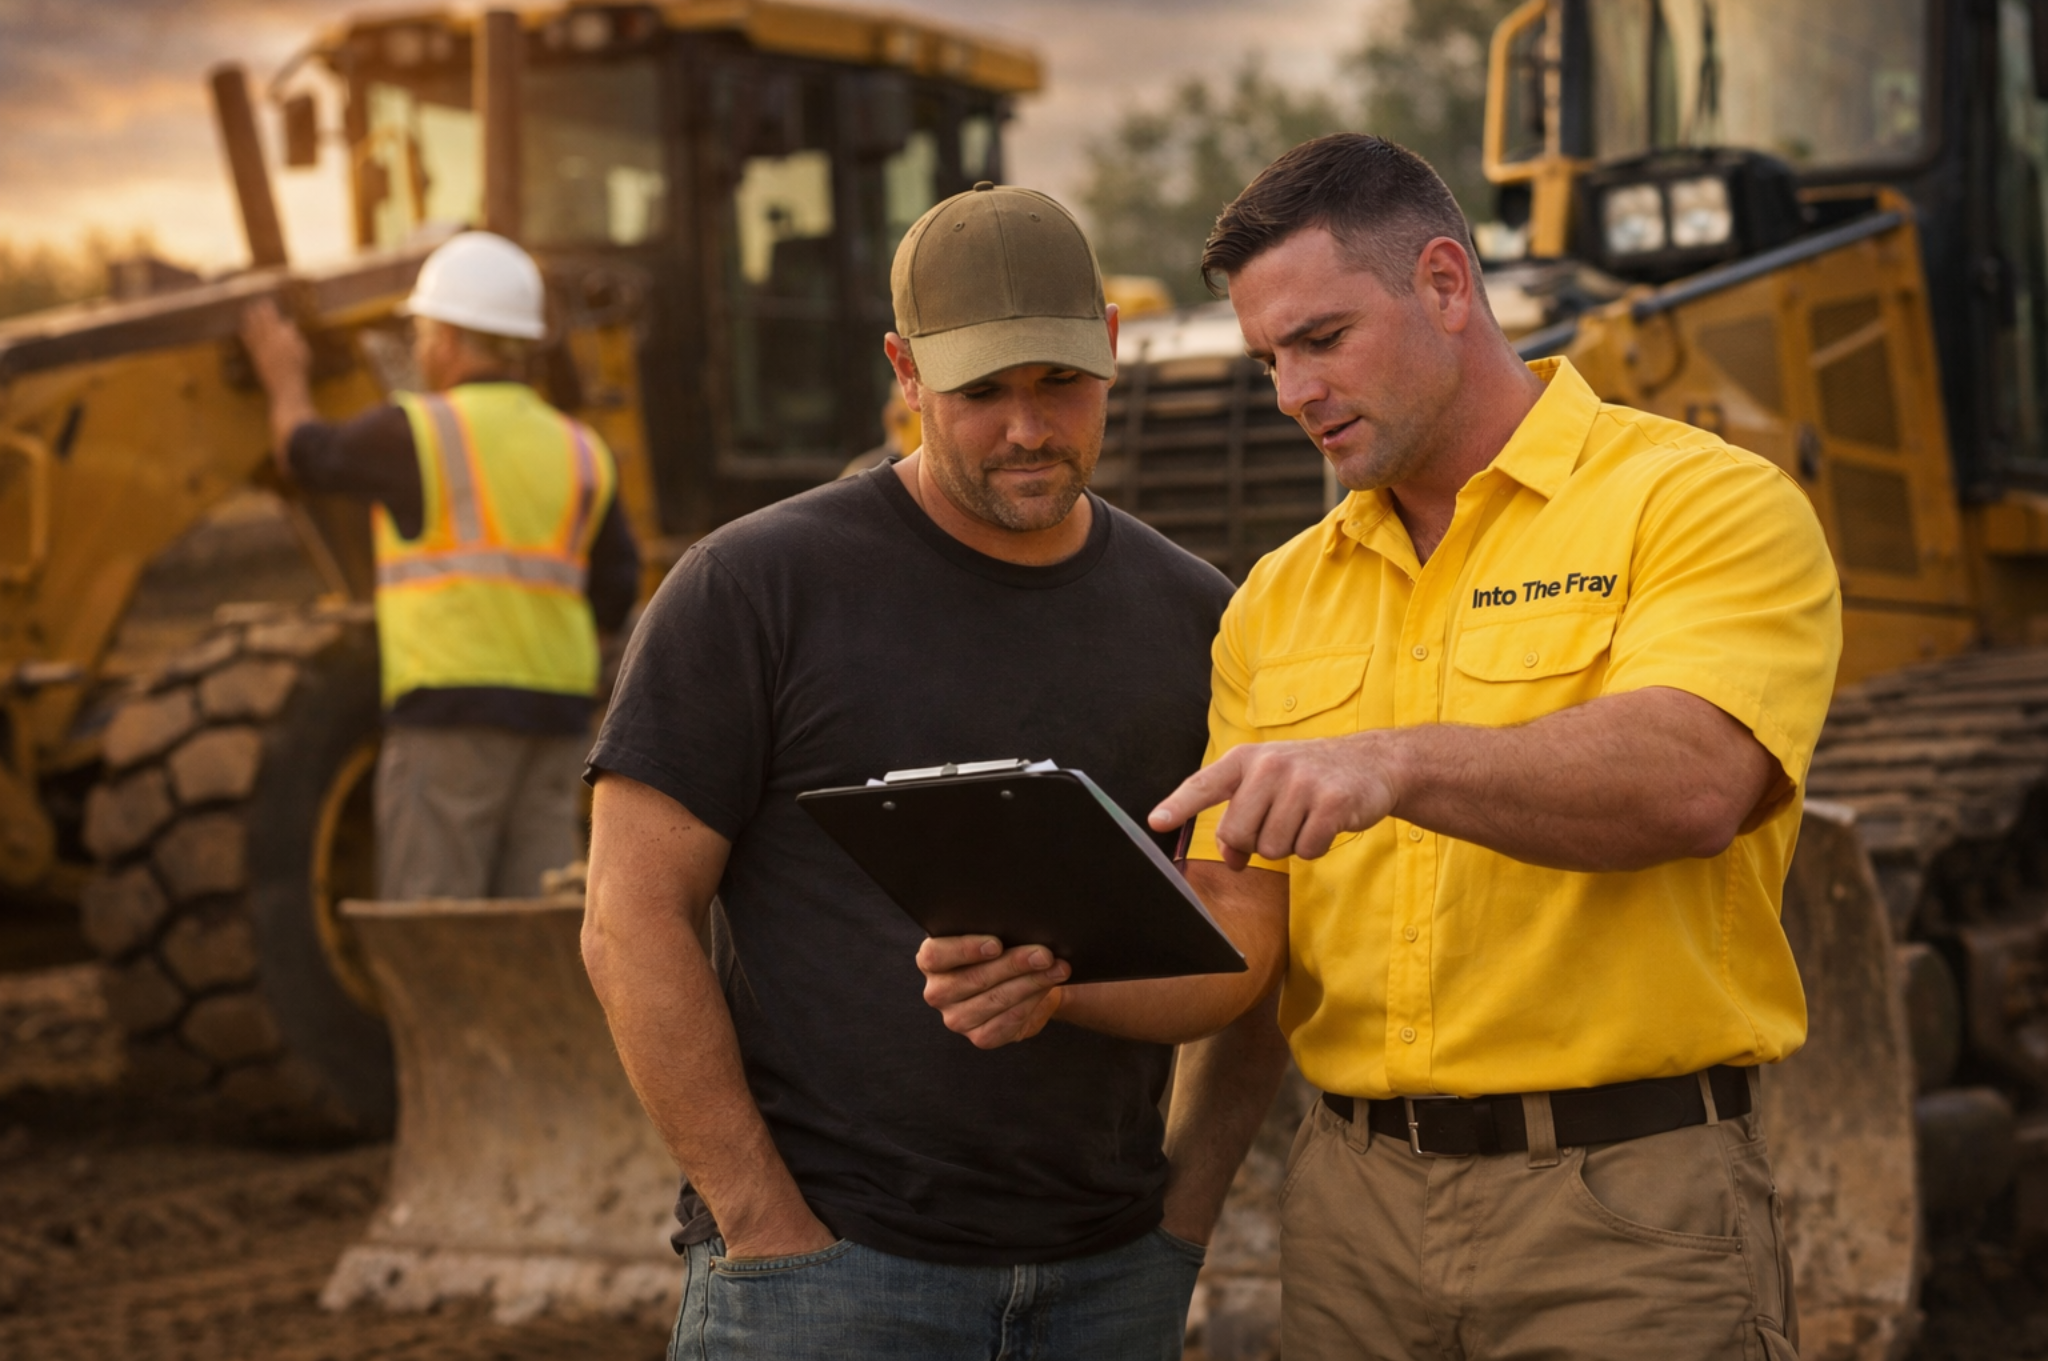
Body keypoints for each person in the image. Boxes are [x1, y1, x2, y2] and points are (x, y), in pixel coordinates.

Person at [918, 134, 1841, 1360]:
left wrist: (1387, 764)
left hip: (1626, 1212)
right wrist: (1052, 980)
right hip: (1349, 1215)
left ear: (1446, 286)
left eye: (1320, 340)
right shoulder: (1276, 598)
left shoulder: (1700, 504)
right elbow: (1238, 951)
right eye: (1267, 359)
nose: (1292, 392)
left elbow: (1694, 781)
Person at [579, 182, 1290, 1360]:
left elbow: (1250, 941)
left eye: (1058, 382)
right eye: (980, 393)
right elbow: (629, 918)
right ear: (904, 374)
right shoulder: (751, 590)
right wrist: (764, 1229)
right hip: (829, 1283)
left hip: (1108, 1283)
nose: (1025, 428)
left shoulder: (1197, 619)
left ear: (1110, 346)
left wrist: (1182, 1218)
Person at [239, 230, 639, 901]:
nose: (420, 351)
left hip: (450, 717)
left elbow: (304, 453)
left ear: (450, 342)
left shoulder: (415, 432)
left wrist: (284, 377)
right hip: (559, 721)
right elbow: (615, 588)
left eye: (423, 334)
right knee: (540, 924)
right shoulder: (581, 448)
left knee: (433, 922)